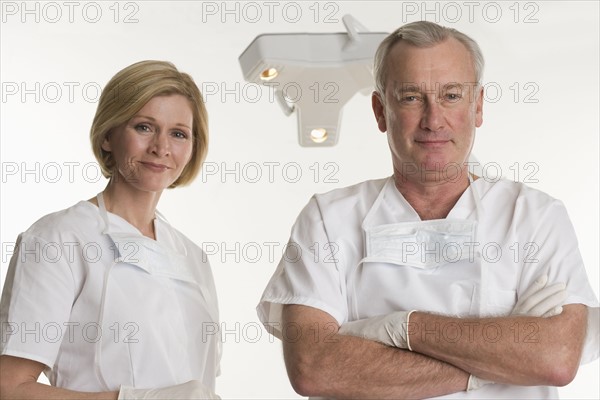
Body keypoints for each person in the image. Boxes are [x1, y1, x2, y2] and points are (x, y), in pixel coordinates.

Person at [257, 21, 599, 398]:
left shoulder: (535, 217)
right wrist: (502, 360)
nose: (433, 119)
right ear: (380, 111)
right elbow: (315, 368)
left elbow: (557, 358)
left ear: (478, 106)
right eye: (410, 97)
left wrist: (402, 328)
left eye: (451, 95)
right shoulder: (327, 220)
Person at [0, 60, 221, 399]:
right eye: (144, 127)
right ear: (108, 135)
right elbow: (9, 387)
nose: (161, 148)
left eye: (178, 134)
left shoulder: (192, 257)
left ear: (192, 148)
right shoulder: (58, 239)